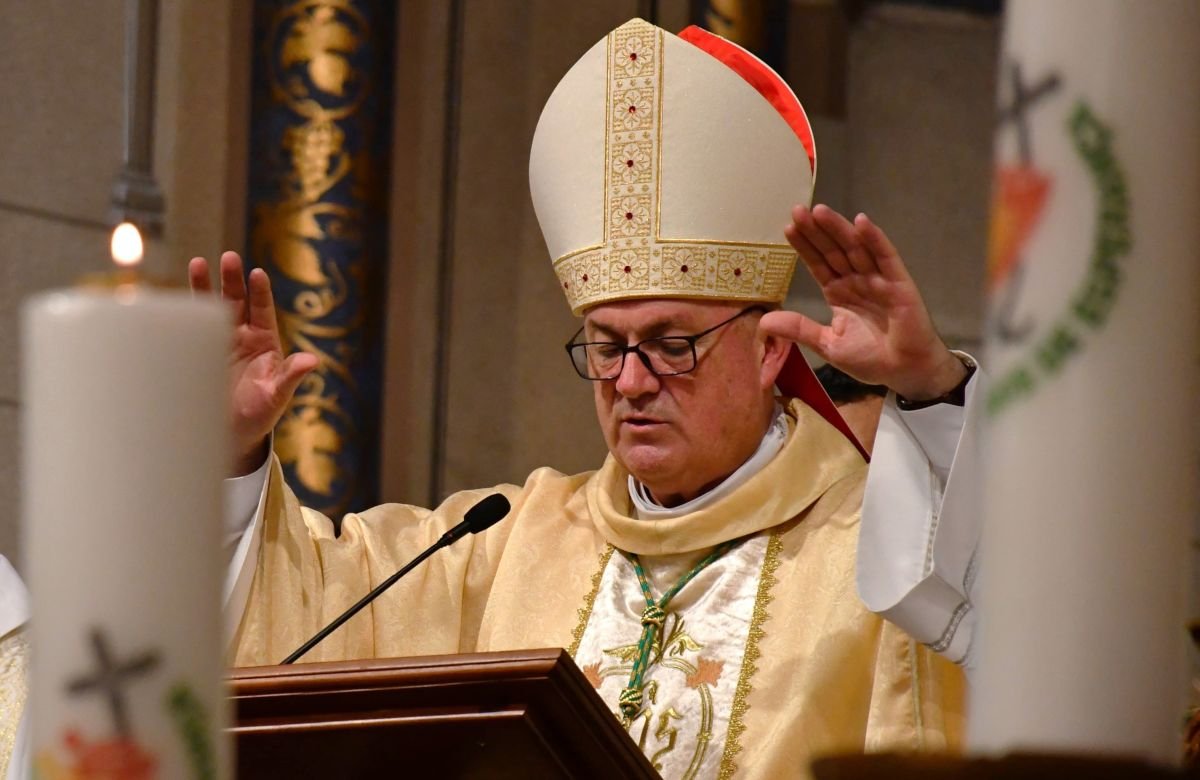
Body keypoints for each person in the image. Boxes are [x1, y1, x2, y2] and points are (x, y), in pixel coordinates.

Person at [194, 19, 981, 779]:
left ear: (772, 348)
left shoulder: (884, 553)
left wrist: (930, 387)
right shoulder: (506, 547)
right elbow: (301, 621)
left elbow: (1020, 618)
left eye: (674, 346)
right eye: (606, 347)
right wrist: (231, 454)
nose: (632, 383)